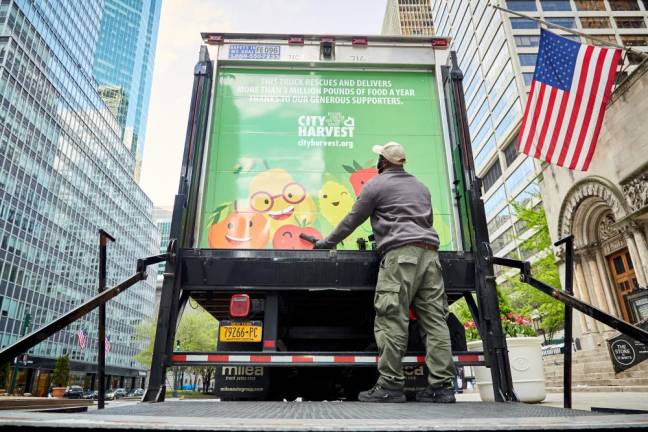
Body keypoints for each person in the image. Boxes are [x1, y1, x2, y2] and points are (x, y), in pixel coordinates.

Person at [315, 141, 456, 403]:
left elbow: (351, 220)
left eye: (378, 157)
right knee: (435, 322)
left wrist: (325, 243)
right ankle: (442, 388)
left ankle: (390, 385)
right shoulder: (420, 187)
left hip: (400, 258)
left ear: (383, 162)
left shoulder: (376, 185)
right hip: (430, 257)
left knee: (392, 319)